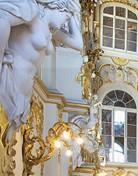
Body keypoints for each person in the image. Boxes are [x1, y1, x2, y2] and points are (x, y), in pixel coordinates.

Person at [0, 0, 83, 140]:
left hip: (23, 95)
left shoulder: (51, 32)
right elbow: (2, 17)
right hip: (8, 84)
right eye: (66, 17)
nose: (65, 23)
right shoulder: (32, 14)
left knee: (5, 146)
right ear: (57, 7)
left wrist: (73, 13)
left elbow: (78, 44)